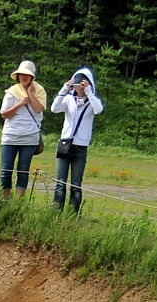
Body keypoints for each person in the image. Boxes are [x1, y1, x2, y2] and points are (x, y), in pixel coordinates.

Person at [49, 67, 103, 213]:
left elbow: (98, 110)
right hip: (65, 143)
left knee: (76, 183)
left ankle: (73, 214)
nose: (79, 88)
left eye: (82, 85)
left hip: (81, 146)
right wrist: (64, 89)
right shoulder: (68, 99)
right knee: (60, 182)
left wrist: (89, 92)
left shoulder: (92, 101)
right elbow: (54, 108)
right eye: (77, 85)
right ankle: (56, 212)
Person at [0, 60, 45, 201]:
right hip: (10, 136)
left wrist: (30, 94)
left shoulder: (40, 91)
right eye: (21, 74)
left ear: (32, 77)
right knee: (5, 170)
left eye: (27, 75)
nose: (24, 77)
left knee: (23, 170)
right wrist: (20, 104)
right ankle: (5, 200)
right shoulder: (11, 92)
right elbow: (4, 114)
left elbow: (38, 109)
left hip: (30, 137)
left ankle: (17, 203)